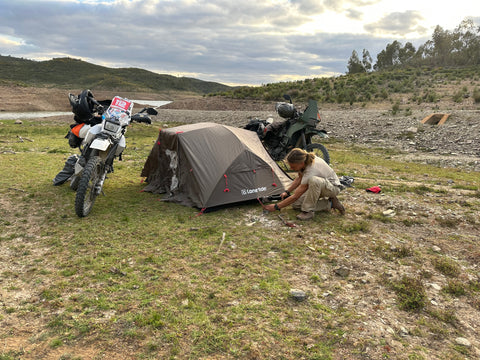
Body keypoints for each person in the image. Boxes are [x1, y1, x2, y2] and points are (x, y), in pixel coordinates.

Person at [264, 148, 345, 220]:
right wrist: (287, 191)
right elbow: (299, 178)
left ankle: (308, 211)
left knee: (314, 180)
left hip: (332, 188)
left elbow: (296, 196)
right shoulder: (305, 161)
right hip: (319, 186)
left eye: (293, 166)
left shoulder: (311, 170)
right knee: (296, 205)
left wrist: (276, 207)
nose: (291, 169)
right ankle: (330, 204)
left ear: (301, 163)